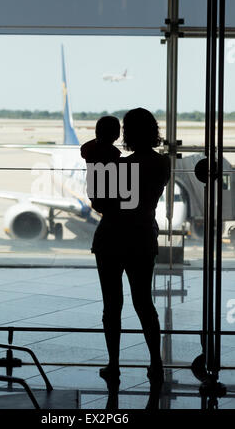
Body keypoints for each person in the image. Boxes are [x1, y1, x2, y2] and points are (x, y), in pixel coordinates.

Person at [91, 108, 170, 394]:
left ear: (126, 133)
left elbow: (99, 204)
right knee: (144, 304)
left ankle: (114, 364)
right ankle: (155, 363)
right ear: (154, 130)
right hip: (142, 238)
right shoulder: (163, 165)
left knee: (112, 305)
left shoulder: (119, 166)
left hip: (111, 238)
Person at [80, 115, 121, 213]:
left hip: (94, 193)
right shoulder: (113, 153)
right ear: (117, 135)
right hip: (106, 197)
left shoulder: (89, 149)